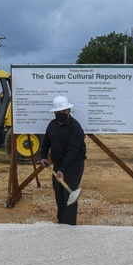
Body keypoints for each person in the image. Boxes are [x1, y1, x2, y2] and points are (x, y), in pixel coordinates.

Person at [39, 96, 86, 225]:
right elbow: (46, 142)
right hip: (59, 165)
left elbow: (72, 152)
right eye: (58, 112)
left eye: (64, 111)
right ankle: (61, 223)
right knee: (59, 194)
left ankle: (70, 225)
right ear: (54, 112)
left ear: (69, 111)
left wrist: (63, 170)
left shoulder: (75, 128)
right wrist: (43, 156)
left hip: (73, 166)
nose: (61, 114)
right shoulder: (52, 125)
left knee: (69, 196)